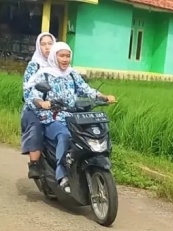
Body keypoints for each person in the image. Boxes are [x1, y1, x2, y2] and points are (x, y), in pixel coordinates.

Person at [25, 42, 116, 193]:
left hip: (72, 116)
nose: (65, 59)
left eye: (67, 56)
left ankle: (84, 165)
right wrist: (42, 103)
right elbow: (33, 96)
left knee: (88, 135)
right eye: (61, 56)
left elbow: (85, 89)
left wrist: (103, 96)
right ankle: (61, 173)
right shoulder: (44, 74)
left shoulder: (72, 74)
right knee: (65, 135)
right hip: (51, 117)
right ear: (55, 56)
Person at [21, 32, 55, 179]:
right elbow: (27, 90)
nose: (47, 47)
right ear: (38, 47)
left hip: (58, 107)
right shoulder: (34, 66)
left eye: (50, 43)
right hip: (35, 107)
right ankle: (34, 164)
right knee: (36, 125)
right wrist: (39, 103)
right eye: (43, 44)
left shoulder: (60, 63)